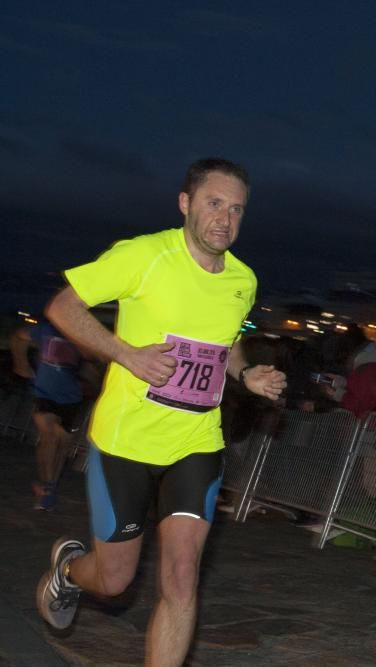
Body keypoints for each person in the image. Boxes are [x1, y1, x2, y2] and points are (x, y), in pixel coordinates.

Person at [35, 158, 287, 666]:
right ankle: (68, 573)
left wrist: (244, 374)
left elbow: (227, 342)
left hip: (196, 444)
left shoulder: (243, 280)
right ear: (186, 203)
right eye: (214, 204)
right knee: (114, 579)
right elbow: (63, 308)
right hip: (127, 443)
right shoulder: (144, 256)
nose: (225, 219)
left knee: (181, 575)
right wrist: (127, 354)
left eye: (237, 209)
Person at [10, 319, 86, 510]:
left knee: (61, 445)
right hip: (44, 393)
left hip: (72, 398)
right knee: (49, 436)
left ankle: (50, 486)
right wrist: (21, 364)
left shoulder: (81, 333)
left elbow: (92, 363)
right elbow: (18, 337)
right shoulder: (46, 328)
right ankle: (47, 486)